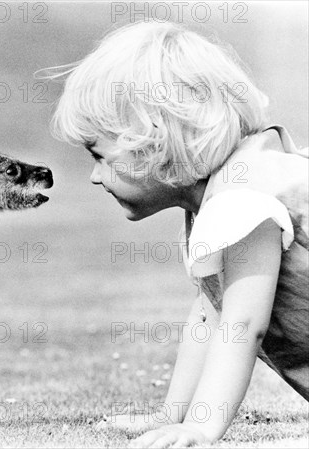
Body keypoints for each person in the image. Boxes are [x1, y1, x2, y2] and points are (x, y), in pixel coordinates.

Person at [49, 21, 308, 447]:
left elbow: (242, 325)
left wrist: (202, 427)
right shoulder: (217, 199)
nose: (95, 177)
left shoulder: (243, 197)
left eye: (99, 155)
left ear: (154, 141)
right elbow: (211, 311)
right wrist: (171, 417)